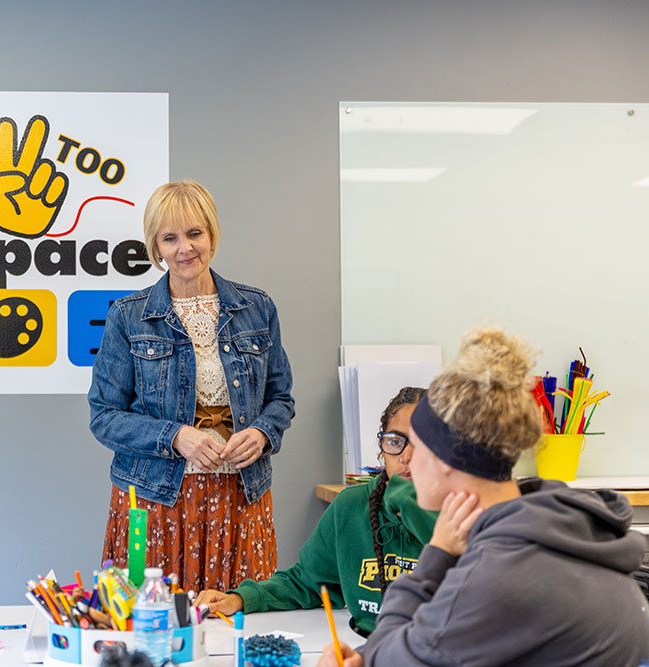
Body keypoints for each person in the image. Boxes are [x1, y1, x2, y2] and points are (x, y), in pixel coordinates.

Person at [319, 327, 649, 667]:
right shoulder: (565, 529)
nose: (408, 460)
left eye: (416, 446)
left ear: (445, 461)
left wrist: (437, 553)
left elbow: (389, 658)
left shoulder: (493, 579)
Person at [88, 180, 295, 592]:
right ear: (156, 247)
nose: (185, 248)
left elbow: (280, 398)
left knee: (234, 616)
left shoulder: (258, 308)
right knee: (154, 620)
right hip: (155, 499)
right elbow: (104, 417)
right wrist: (175, 436)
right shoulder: (128, 316)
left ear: (212, 235)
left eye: (195, 233)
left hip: (239, 496)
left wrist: (261, 433)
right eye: (170, 238)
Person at [196, 387, 437, 636]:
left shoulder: (455, 513)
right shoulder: (351, 505)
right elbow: (306, 581)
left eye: (423, 442)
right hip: (367, 647)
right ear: (382, 448)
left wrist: (407, 500)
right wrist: (240, 598)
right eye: (395, 442)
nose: (407, 456)